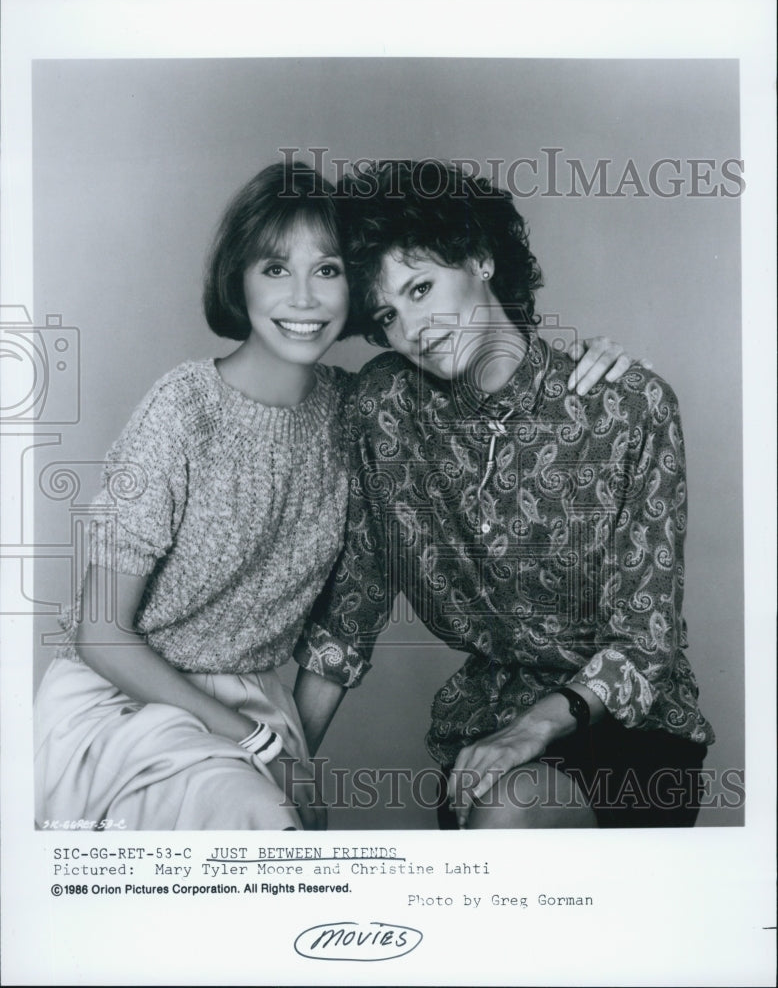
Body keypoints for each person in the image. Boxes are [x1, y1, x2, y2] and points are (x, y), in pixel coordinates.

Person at [33, 159, 633, 832]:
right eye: (274, 269)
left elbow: (488, 389)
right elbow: (100, 634)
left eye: (327, 271)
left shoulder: (365, 412)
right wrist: (258, 745)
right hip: (124, 708)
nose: (304, 299)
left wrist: (580, 365)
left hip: (251, 709)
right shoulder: (182, 409)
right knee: (256, 830)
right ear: (238, 279)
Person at [294, 160, 715, 829]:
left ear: (482, 260)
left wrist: (531, 732)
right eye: (386, 313)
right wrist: (283, 766)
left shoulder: (627, 407)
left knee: (506, 817)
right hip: (484, 734)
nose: (413, 328)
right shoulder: (384, 409)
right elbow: (352, 608)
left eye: (422, 287)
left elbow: (643, 641)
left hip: (629, 733)